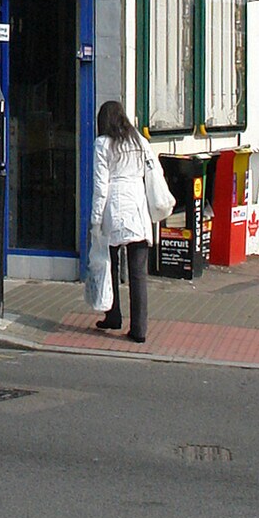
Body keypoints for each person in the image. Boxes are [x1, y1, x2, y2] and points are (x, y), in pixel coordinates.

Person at [89, 98, 154, 342]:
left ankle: (113, 315)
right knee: (138, 273)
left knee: (110, 264)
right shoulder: (139, 141)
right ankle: (140, 329)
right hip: (138, 207)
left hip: (114, 209)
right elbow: (152, 171)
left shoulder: (102, 144)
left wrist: (95, 220)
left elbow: (100, 185)